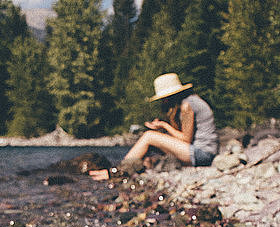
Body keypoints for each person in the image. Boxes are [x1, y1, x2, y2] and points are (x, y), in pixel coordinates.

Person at [89, 73, 218, 180]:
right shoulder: (189, 101)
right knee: (151, 142)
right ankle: (131, 169)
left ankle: (116, 172)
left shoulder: (186, 106)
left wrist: (165, 125)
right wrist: (162, 129)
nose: (163, 102)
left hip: (202, 154)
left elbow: (185, 139)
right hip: (199, 152)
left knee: (149, 136)